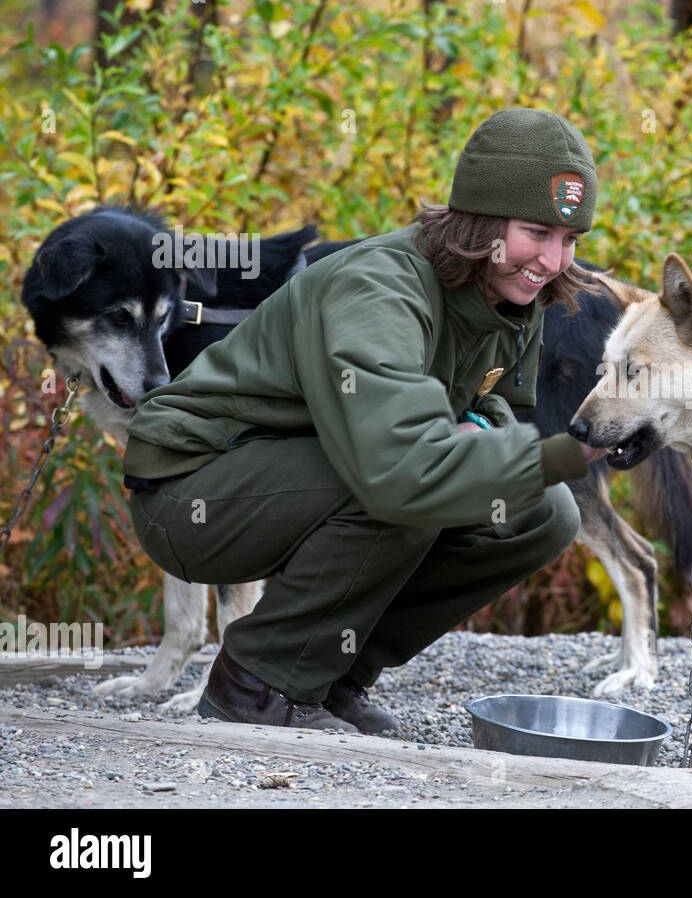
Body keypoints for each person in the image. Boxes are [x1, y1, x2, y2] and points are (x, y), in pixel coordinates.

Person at [124, 108, 605, 735]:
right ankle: (256, 682)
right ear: (482, 221)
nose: (552, 260)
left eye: (570, 241)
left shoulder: (513, 296)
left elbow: (503, 415)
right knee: (412, 484)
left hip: (302, 475)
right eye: (536, 232)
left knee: (542, 513)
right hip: (192, 487)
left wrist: (481, 436)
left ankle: (325, 672)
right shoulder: (380, 285)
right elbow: (398, 468)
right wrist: (571, 453)